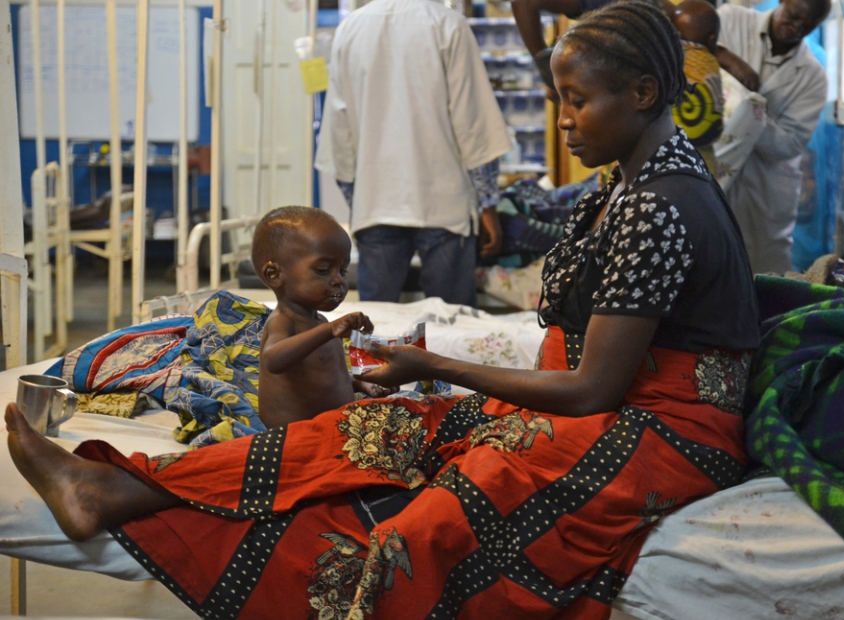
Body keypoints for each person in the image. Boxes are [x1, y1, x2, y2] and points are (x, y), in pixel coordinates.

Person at [7, 4, 760, 618]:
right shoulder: (630, 183)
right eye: (560, 99)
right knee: (379, 424)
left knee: (426, 523)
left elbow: (595, 389)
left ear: (642, 95)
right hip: (606, 407)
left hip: (661, 436)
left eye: (576, 101)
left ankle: (140, 502)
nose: (564, 121)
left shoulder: (663, 204)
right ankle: (117, 486)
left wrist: (430, 362)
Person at [316, 0, 512, 307]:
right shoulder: (448, 25)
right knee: (452, 322)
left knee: (375, 327)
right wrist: (488, 205)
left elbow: (339, 131)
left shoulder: (350, 29)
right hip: (444, 204)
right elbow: (472, 121)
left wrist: (358, 202)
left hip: (376, 201)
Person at [713, 0, 831, 274]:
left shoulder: (814, 77)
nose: (795, 29)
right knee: (708, 262)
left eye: (806, 26)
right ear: (781, 2)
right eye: (792, 17)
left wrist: (750, 112)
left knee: (763, 274)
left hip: (765, 185)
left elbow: (790, 144)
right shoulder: (731, 21)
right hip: (712, 159)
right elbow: (691, 51)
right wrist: (728, 59)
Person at [252, 207, 392, 428]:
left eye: (342, 271)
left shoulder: (319, 323)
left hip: (333, 426)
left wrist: (360, 383)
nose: (339, 281)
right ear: (275, 275)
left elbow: (323, 376)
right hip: (296, 437)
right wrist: (330, 330)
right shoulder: (283, 321)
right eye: (323, 270)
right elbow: (272, 360)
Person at [668, 0, 725, 175]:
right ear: (712, 38)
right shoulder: (709, 62)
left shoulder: (666, 56)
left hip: (663, 142)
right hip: (700, 149)